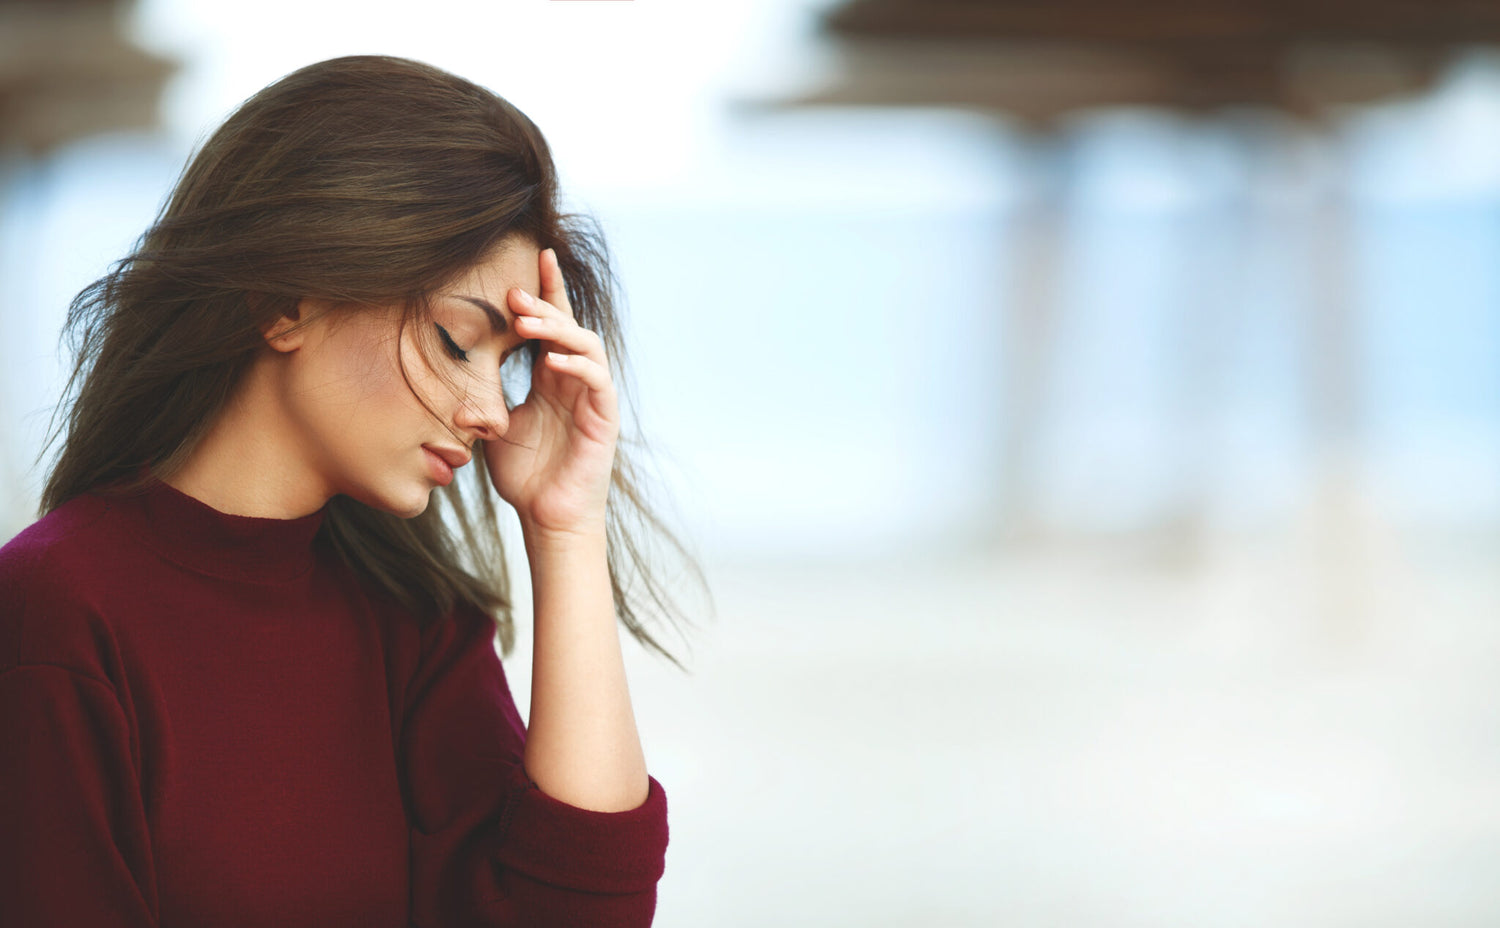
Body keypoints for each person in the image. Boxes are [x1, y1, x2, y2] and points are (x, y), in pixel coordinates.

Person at [0, 55, 704, 927]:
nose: (491, 411)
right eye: (456, 341)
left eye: (507, 365)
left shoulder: (413, 617)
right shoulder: (55, 612)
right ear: (285, 300)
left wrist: (566, 528)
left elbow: (581, 915)